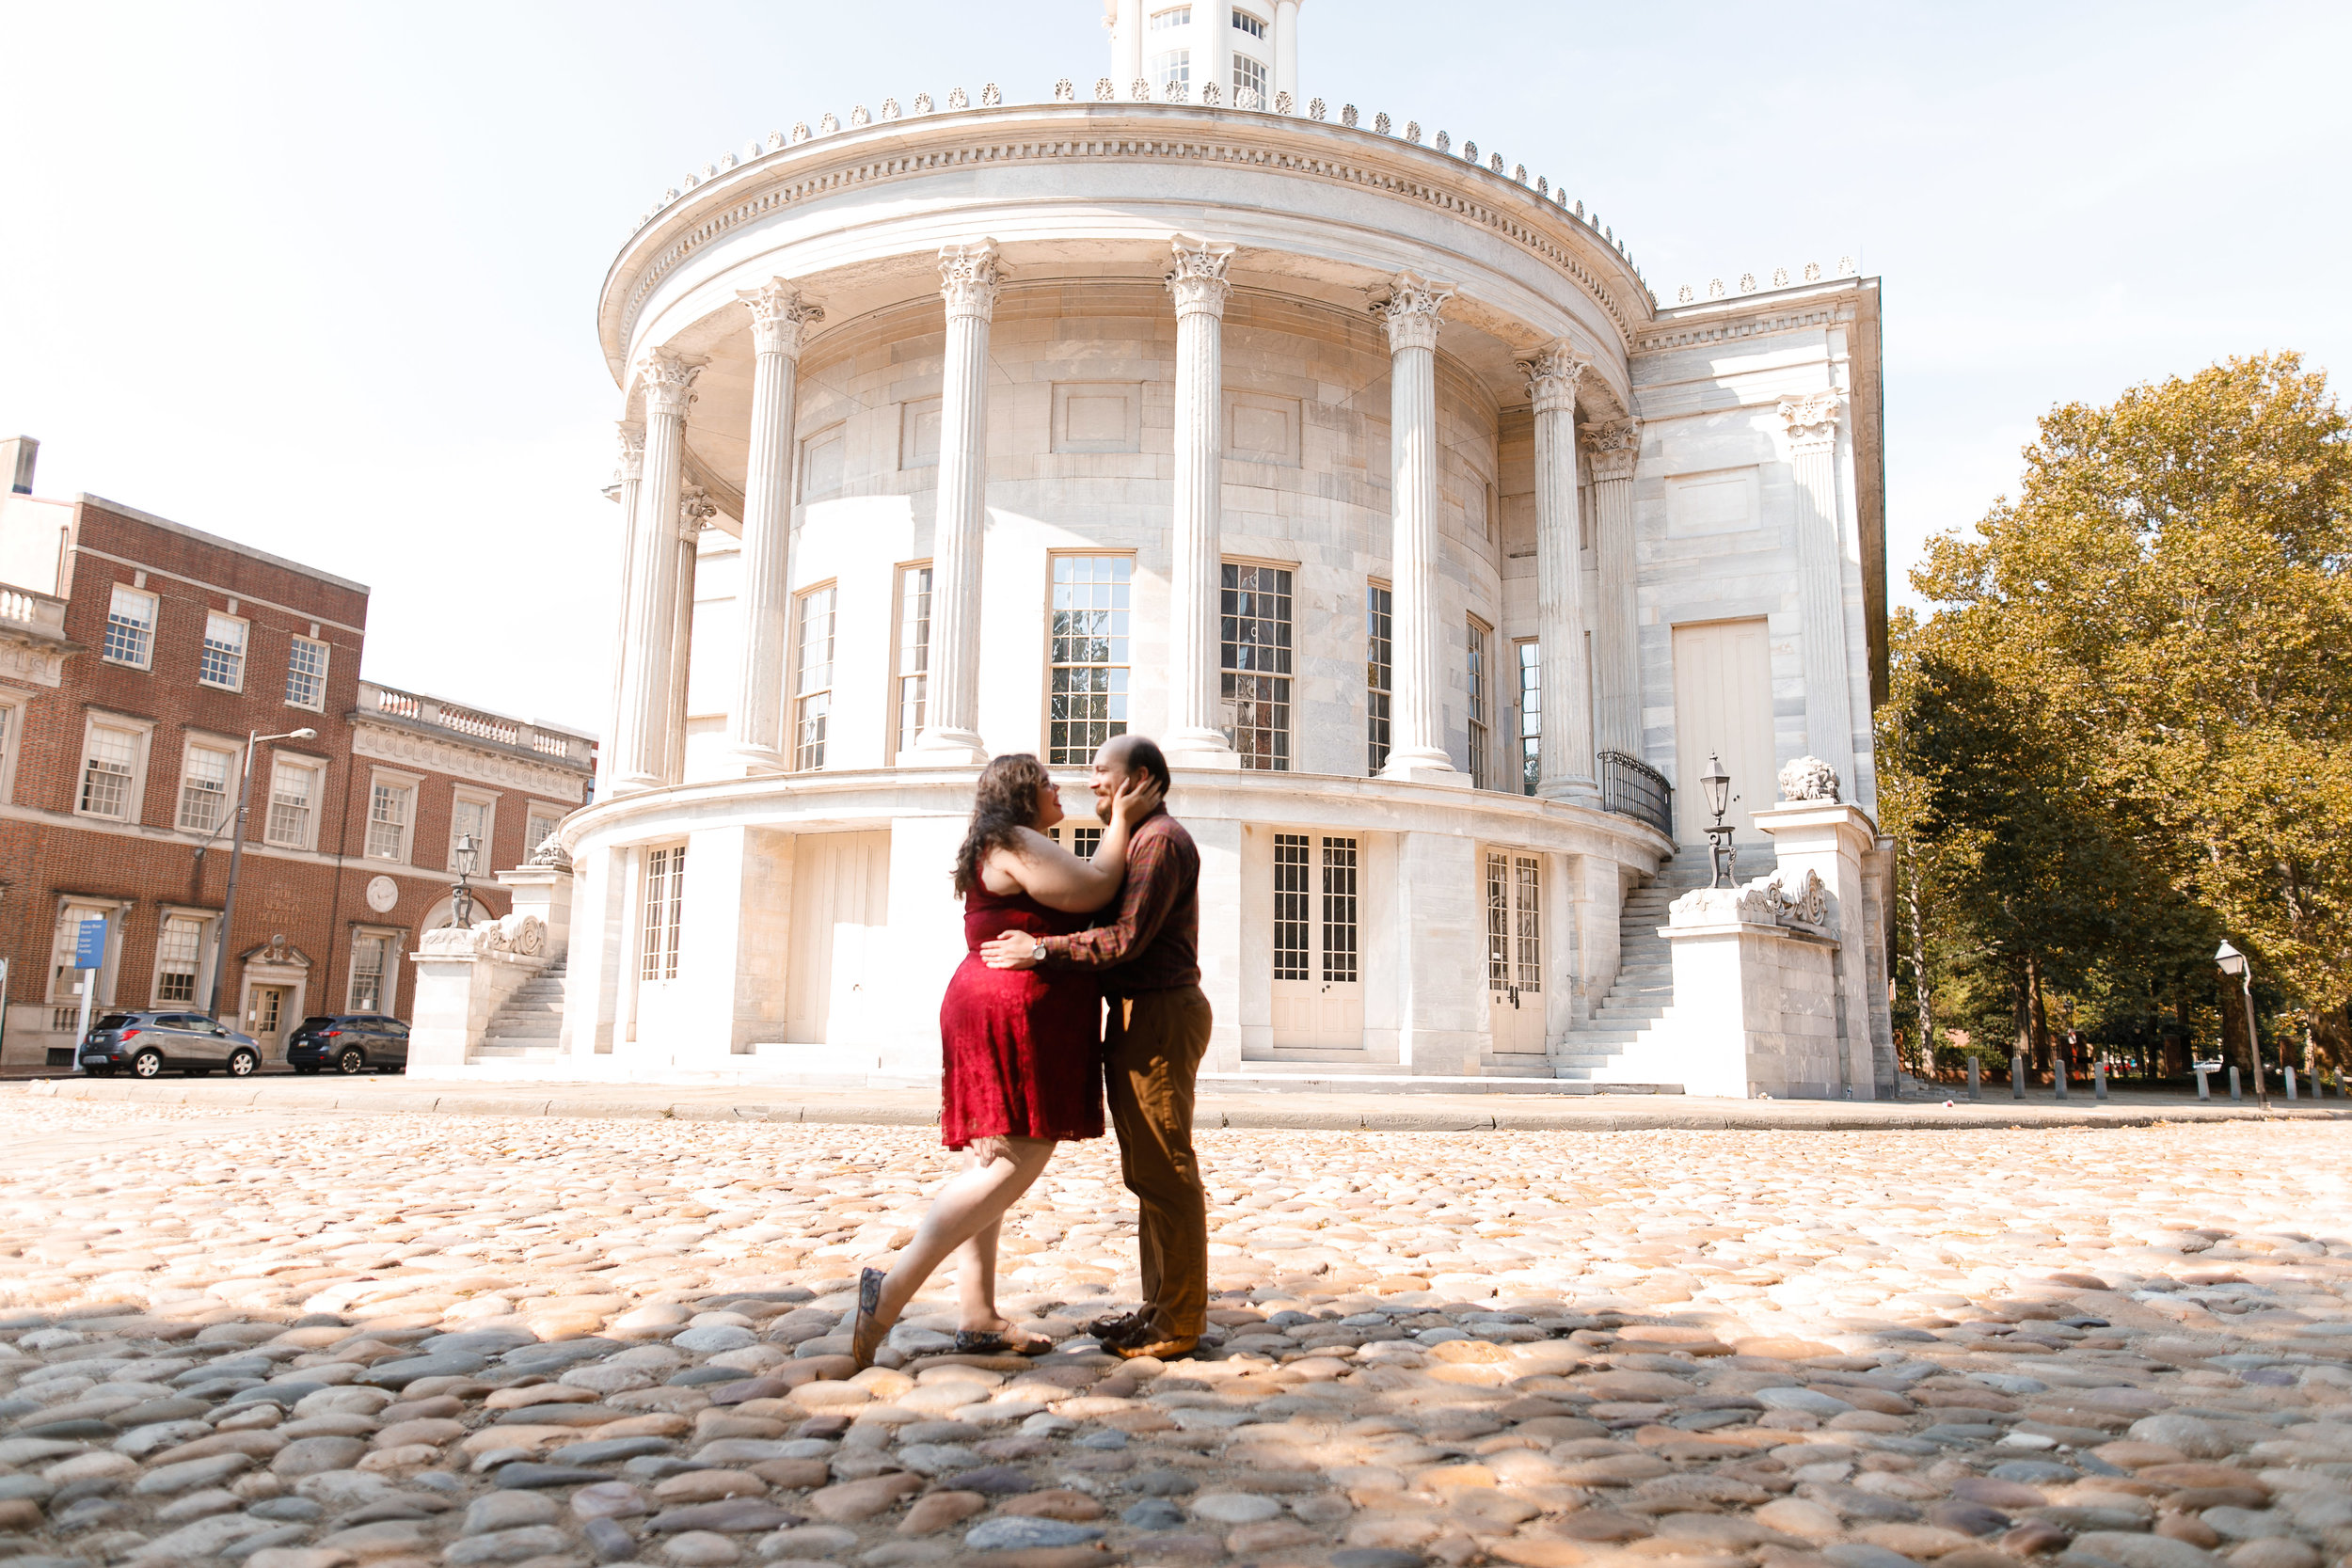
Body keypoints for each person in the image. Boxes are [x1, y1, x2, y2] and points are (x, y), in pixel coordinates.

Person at [849, 752, 1162, 1367]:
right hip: (1009, 1008)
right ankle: (890, 1290)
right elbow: (1097, 884)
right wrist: (1122, 820)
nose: (1058, 788)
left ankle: (978, 1314)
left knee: (989, 1159)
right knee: (1016, 1158)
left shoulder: (998, 842)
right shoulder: (1015, 839)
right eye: (1046, 782)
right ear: (1022, 794)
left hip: (989, 1001)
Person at [980, 734, 1211, 1362]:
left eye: (1101, 770)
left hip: (1160, 1012)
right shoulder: (1137, 839)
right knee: (1147, 1173)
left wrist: (1041, 950)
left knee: (1167, 1170)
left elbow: (1127, 937)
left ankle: (1180, 1321)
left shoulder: (1160, 840)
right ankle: (1158, 1307)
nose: (1090, 780)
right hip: (1137, 1014)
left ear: (1139, 777)